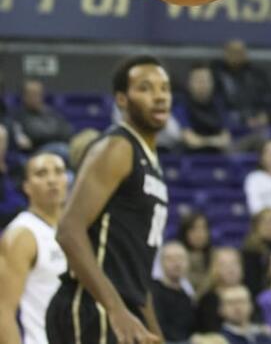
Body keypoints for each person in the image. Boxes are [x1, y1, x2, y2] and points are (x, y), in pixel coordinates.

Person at [47, 56, 171, 344]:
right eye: (145, 88)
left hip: (124, 309)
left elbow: (136, 272)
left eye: (164, 88)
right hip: (94, 306)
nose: (159, 96)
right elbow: (68, 230)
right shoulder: (118, 147)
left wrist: (154, 331)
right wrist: (115, 310)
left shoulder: (152, 163)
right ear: (122, 99)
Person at [0, 152, 69, 344]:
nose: (52, 180)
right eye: (41, 173)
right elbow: (3, 312)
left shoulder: (73, 232)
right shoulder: (22, 234)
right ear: (27, 187)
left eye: (58, 172)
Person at [211, 42, 271, 140]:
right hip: (232, 117)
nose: (236, 55)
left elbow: (268, 98)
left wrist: (265, 113)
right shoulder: (217, 75)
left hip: (256, 117)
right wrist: (244, 118)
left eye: (239, 52)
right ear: (225, 54)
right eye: (233, 52)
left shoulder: (257, 74)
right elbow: (218, 102)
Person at [180, 66, 232, 153]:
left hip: (219, 157)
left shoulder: (219, 105)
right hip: (190, 157)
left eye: (206, 80)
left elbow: (226, 140)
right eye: (198, 80)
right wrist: (215, 141)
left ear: (212, 83)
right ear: (189, 83)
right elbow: (190, 140)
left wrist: (203, 141)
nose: (202, 84)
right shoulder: (181, 105)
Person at [153, 242, 197, 344]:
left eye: (180, 258)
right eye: (170, 259)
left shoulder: (187, 294)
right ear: (161, 263)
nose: (177, 264)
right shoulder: (153, 291)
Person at [12, 80, 74, 153]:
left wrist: (43, 137)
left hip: (60, 146)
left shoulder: (52, 113)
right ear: (24, 97)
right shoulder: (18, 116)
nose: (36, 97)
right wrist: (52, 136)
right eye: (33, 94)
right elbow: (30, 137)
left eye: (39, 94)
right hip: (37, 151)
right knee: (62, 150)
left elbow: (67, 132)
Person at [196, 248, 245, 334]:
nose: (231, 269)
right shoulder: (208, 300)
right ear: (215, 269)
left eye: (234, 263)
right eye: (224, 265)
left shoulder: (246, 293)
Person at [241, 210, 271, 299]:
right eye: (265, 223)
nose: (270, 227)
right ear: (256, 227)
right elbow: (252, 284)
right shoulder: (250, 252)